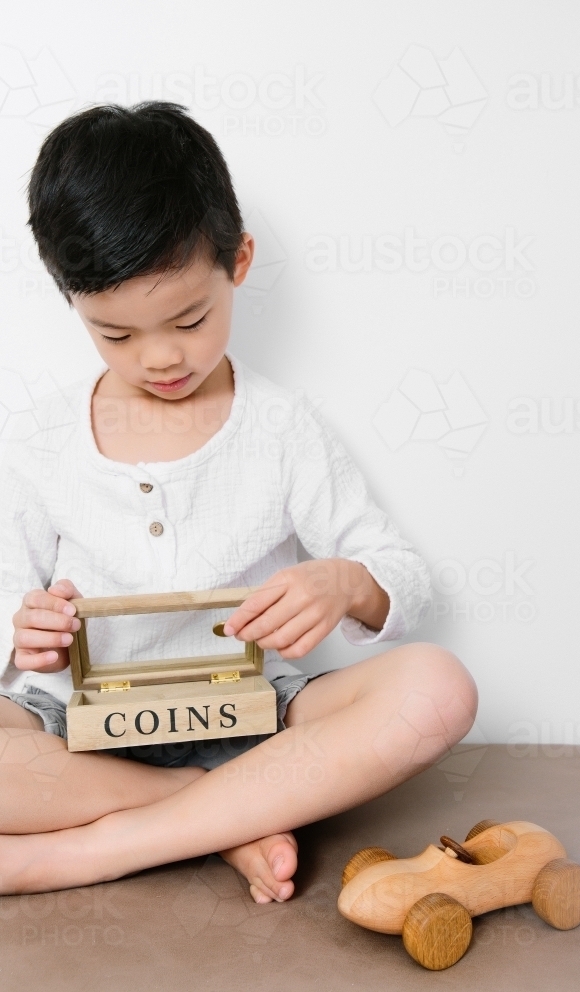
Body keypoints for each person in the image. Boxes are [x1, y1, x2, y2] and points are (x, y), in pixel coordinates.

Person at [0, 102, 477, 897]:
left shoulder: (284, 428)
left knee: (437, 688)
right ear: (72, 304)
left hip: (253, 719)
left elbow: (401, 573)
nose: (159, 357)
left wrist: (345, 583)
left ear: (240, 261)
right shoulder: (39, 441)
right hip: (78, 734)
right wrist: (27, 633)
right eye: (115, 335)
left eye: (189, 318)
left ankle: (102, 848)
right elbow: (11, 621)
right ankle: (214, 816)